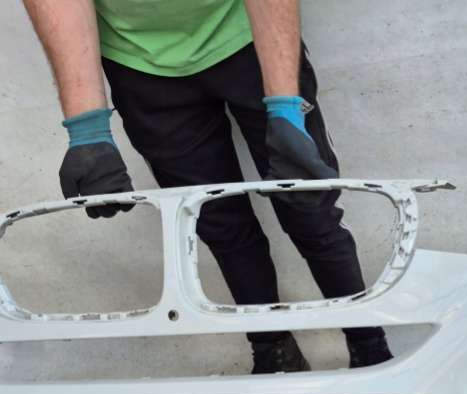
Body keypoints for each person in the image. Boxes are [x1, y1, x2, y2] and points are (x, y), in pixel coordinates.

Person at [21, 0, 392, 373]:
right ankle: (274, 351)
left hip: (247, 34)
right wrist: (88, 131)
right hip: (138, 62)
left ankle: (369, 348)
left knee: (309, 207)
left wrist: (285, 108)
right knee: (219, 222)